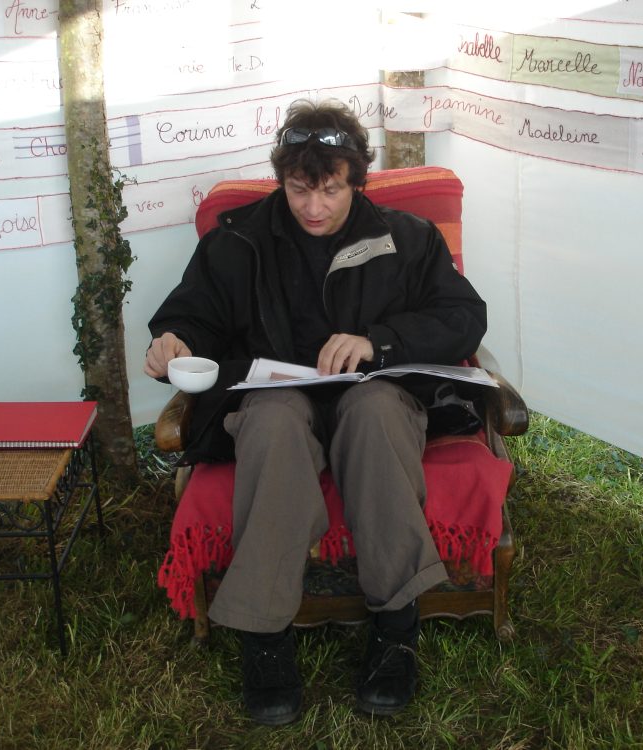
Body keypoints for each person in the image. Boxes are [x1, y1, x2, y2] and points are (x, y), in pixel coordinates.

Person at [144, 98, 487, 725]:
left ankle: (394, 624)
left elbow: (463, 317)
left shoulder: (407, 239)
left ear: (358, 180)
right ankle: (265, 637)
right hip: (275, 401)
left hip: (375, 399)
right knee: (273, 420)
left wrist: (379, 341)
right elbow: (192, 315)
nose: (313, 207)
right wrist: (173, 342)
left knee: (376, 408)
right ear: (282, 178)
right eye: (300, 188)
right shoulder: (239, 239)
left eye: (330, 190)